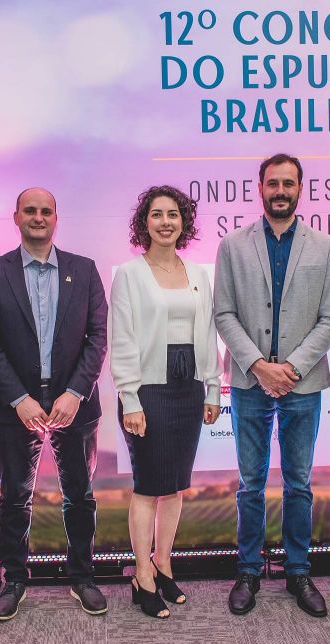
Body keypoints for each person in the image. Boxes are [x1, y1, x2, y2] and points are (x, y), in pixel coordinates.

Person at [214, 153, 330, 617]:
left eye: (289, 183)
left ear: (300, 188)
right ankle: (248, 571)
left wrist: (291, 367)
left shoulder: (326, 248)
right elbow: (223, 313)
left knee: (299, 483)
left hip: (303, 384)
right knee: (250, 484)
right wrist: (258, 365)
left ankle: (297, 571)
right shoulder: (232, 245)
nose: (281, 190)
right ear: (261, 188)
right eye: (273, 183)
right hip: (250, 383)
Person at [0, 187, 108, 621]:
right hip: (15, 407)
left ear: (56, 217)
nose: (38, 217)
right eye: (29, 210)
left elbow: (97, 337)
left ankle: (83, 577)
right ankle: (13, 579)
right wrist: (18, 398)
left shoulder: (84, 271)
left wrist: (74, 392)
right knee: (15, 497)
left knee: (80, 495)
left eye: (45, 211)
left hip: (75, 404)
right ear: (16, 217)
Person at [110, 185, 221, 619]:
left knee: (174, 486)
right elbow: (121, 339)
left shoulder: (197, 273)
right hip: (147, 389)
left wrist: (211, 387)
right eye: (156, 215)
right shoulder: (130, 274)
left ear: (183, 221)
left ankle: (163, 564)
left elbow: (207, 332)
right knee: (148, 486)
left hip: (188, 386)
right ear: (145, 223)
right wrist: (130, 399)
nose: (165, 222)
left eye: (173, 214)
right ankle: (141, 575)